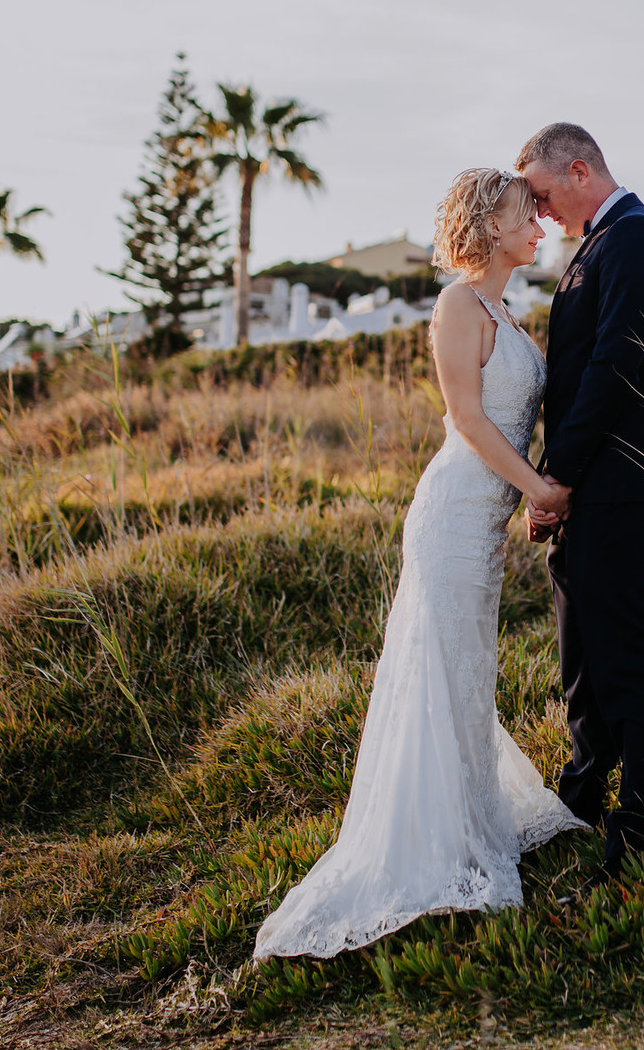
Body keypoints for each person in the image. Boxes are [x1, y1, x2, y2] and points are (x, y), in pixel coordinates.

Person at [251, 168, 587, 960]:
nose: (538, 225)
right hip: (451, 518)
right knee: (440, 666)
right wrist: (541, 490)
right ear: (488, 225)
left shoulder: (510, 310)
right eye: (523, 215)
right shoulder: (457, 304)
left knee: (469, 669)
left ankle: (470, 821)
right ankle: (435, 846)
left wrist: (533, 498)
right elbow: (467, 419)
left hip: (490, 520)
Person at [516, 123, 644, 892]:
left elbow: (616, 368)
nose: (541, 215)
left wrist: (556, 476)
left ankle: (641, 818)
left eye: (545, 197)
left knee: (623, 654)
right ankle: (583, 790)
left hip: (617, 481)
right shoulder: (595, 243)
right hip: (589, 487)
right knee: (580, 654)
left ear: (580, 169)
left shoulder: (639, 240)